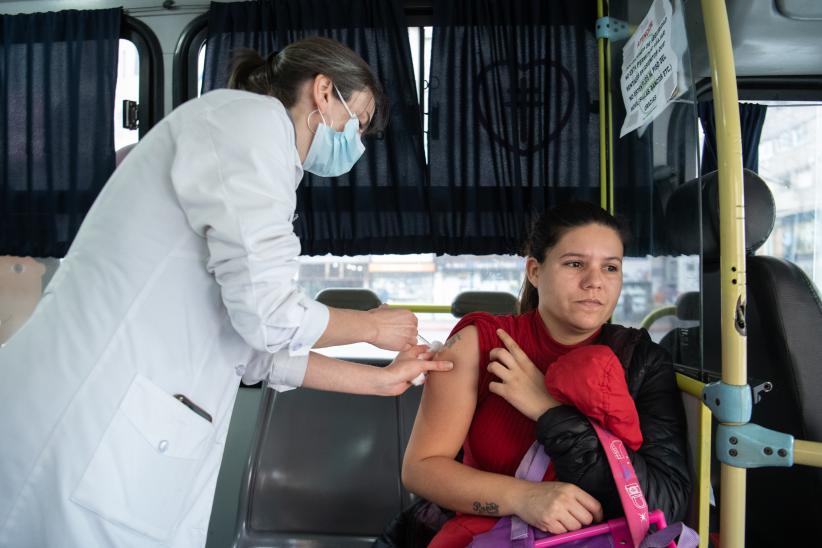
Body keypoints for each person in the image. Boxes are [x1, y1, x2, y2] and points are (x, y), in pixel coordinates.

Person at [0, 37, 452, 548]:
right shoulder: (251, 125)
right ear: (325, 92)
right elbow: (270, 317)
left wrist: (381, 383)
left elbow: (255, 353)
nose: (357, 141)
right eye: (359, 120)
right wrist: (371, 326)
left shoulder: (257, 151)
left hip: (122, 431)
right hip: (85, 423)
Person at [401, 202, 690, 547]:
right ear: (535, 271)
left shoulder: (641, 360)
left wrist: (548, 410)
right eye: (575, 264)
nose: (594, 281)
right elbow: (421, 468)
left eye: (610, 267)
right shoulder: (480, 342)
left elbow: (665, 502)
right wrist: (524, 497)